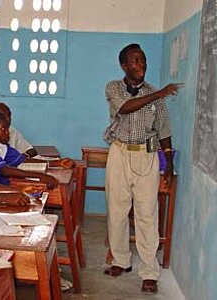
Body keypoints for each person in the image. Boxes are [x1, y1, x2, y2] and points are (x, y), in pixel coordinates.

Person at [103, 43, 182, 293]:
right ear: (124, 65)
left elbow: (164, 130)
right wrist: (160, 94)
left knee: (147, 214)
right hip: (119, 153)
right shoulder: (113, 87)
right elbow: (125, 107)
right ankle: (121, 261)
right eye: (136, 61)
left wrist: (168, 162)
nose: (141, 65)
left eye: (144, 61)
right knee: (117, 210)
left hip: (146, 156)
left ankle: (149, 272)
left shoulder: (154, 95)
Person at [0, 111, 60, 189]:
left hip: (3, 186)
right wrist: (40, 176)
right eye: (3, 129)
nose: (7, 133)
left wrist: (56, 163)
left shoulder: (2, 147)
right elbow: (5, 170)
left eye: (7, 129)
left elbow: (23, 160)